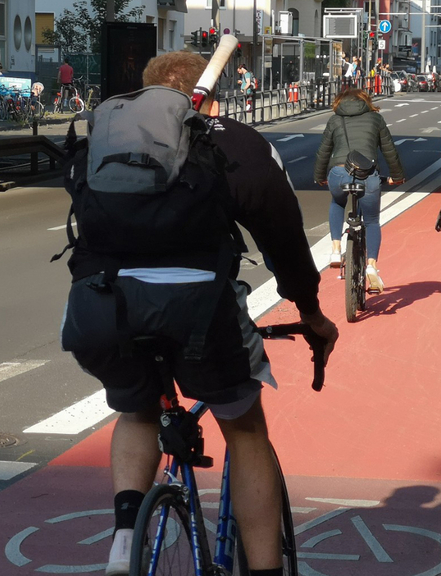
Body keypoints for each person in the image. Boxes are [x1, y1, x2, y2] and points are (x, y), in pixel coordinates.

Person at [63, 50, 339, 576]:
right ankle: (263, 570)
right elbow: (281, 235)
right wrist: (310, 311)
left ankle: (125, 537)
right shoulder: (229, 140)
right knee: (245, 427)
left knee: (137, 410)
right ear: (208, 93)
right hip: (198, 312)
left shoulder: (112, 138)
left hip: (102, 306)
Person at [313, 88, 407, 292]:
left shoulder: (334, 120)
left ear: (339, 102)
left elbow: (323, 151)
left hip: (338, 173)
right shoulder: (376, 119)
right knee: (372, 221)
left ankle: (336, 249)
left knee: (337, 202)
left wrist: (320, 177)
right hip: (368, 176)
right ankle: (371, 265)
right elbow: (389, 149)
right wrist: (397, 176)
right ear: (366, 102)